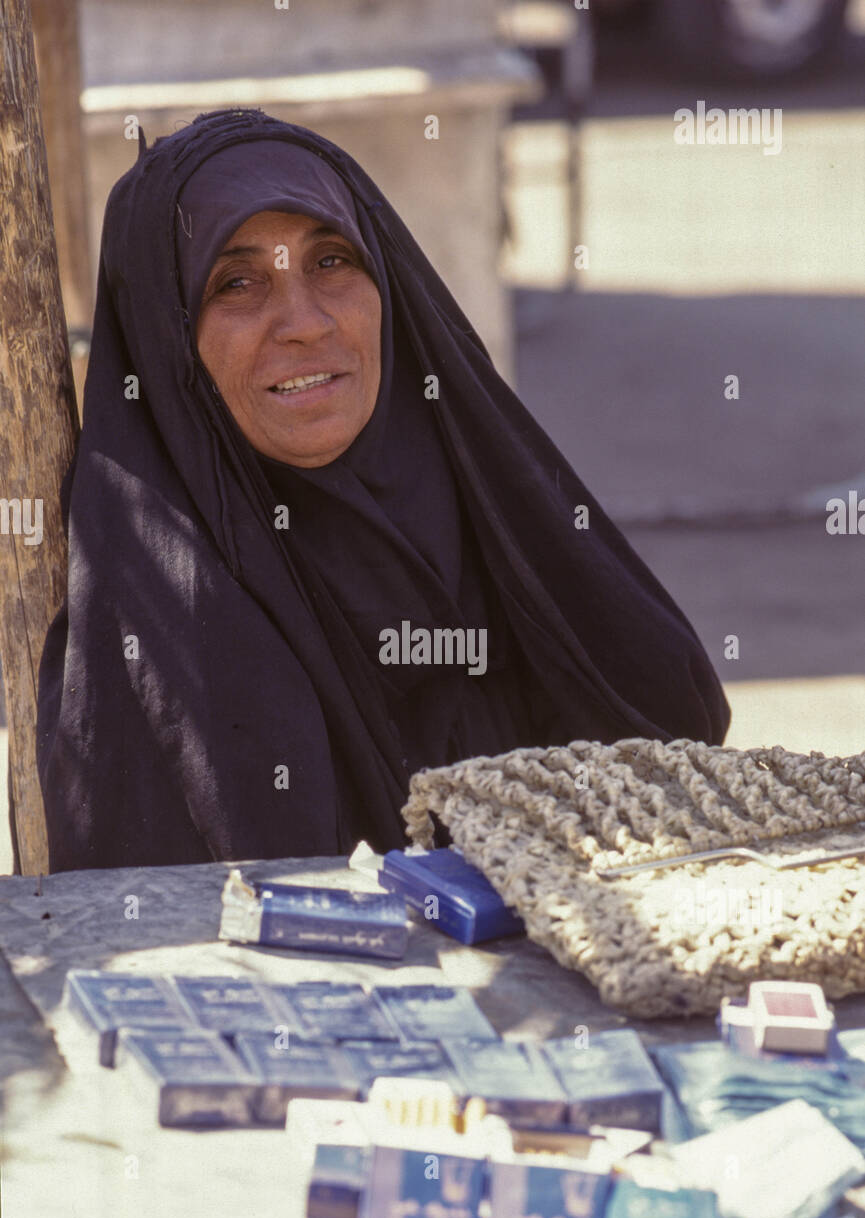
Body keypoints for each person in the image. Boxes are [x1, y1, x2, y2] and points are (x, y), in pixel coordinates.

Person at [34, 107, 729, 873]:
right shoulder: (161, 618)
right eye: (236, 282)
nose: (303, 322)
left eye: (331, 261)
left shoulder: (494, 512)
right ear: (171, 342)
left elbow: (673, 730)